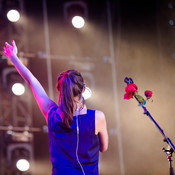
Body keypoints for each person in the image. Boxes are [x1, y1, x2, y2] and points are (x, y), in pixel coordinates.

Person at [3, 40, 108, 175]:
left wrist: (14, 58)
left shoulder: (51, 114)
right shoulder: (97, 117)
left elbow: (31, 80)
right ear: (83, 89)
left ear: (60, 91)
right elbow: (103, 148)